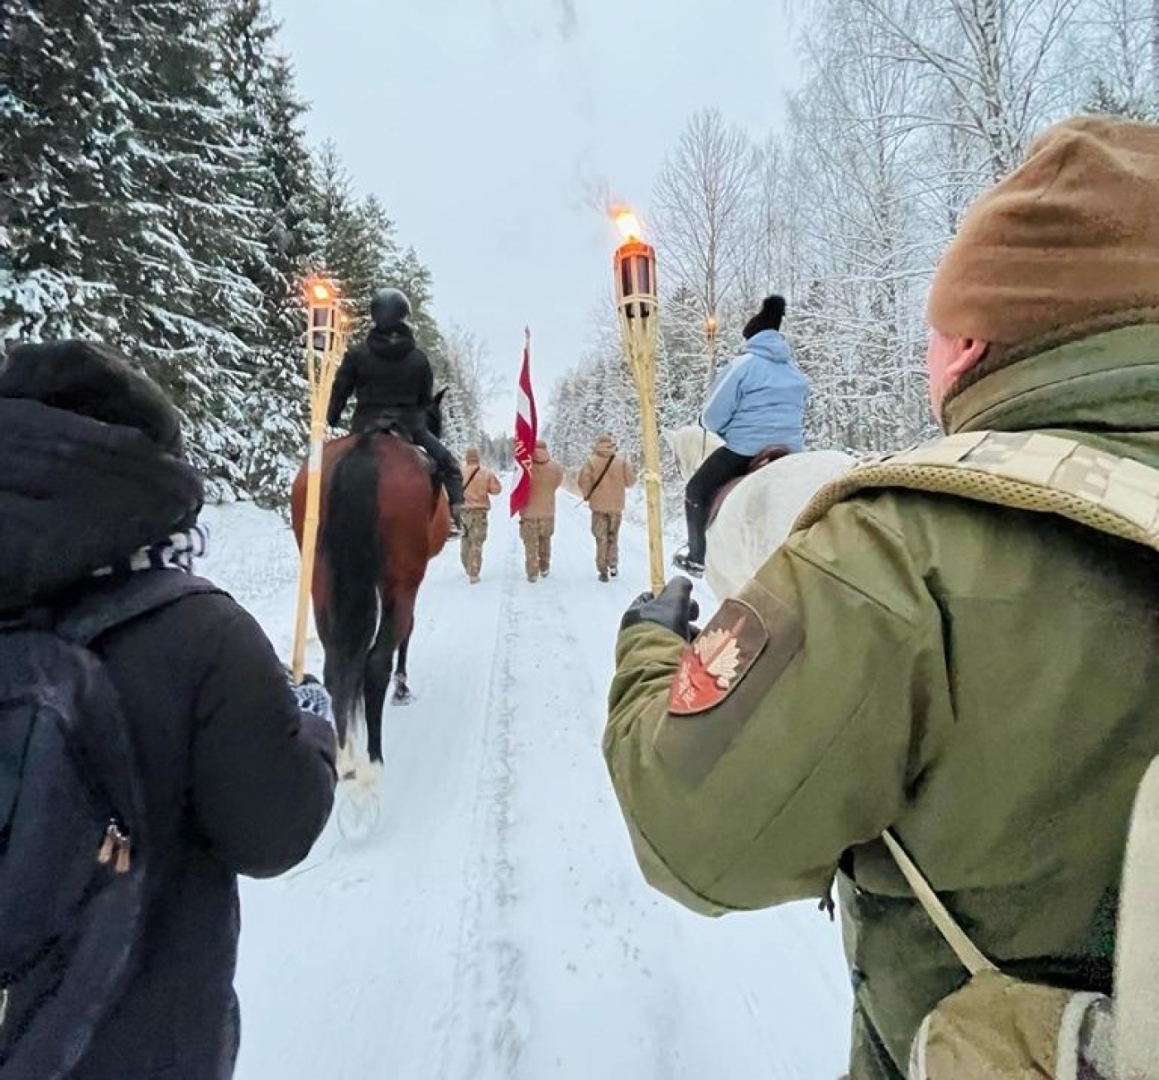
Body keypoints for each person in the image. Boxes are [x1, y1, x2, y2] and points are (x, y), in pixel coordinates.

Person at [603, 116, 1159, 1079]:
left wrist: (651, 650)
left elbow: (692, 834)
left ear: (978, 338)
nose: (926, 359)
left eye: (937, 336)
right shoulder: (801, 376)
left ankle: (695, 561)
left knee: (700, 490)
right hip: (796, 442)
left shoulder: (895, 548)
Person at [0, 339, 337, 1079]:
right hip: (139, 1042)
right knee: (430, 462)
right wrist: (310, 723)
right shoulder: (200, 630)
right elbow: (272, 834)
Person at [673, 294, 810, 577]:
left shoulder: (743, 365)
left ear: (752, 337)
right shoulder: (795, 372)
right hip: (791, 451)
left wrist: (719, 428)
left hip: (745, 450)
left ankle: (697, 558)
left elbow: (712, 418)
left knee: (696, 491)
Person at [327, 287, 465, 531]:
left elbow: (340, 390)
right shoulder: (418, 359)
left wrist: (332, 416)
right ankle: (454, 512)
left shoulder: (358, 355)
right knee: (448, 464)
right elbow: (424, 400)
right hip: (410, 426)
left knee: (330, 464)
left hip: (364, 426)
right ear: (403, 315)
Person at [578, 432, 636, 582]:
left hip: (598, 507)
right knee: (613, 536)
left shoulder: (590, 461)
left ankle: (602, 570)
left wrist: (587, 495)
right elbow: (630, 482)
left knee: (600, 538)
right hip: (616, 506)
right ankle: (613, 565)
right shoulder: (621, 461)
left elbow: (583, 481)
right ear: (612, 444)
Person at [519, 439, 563, 583]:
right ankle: (544, 568)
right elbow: (556, 484)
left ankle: (532, 572)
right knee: (545, 540)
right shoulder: (555, 468)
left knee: (530, 543)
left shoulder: (525, 466)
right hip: (548, 512)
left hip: (528, 512)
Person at [459, 445, 502, 584]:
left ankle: (466, 565)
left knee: (465, 540)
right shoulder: (486, 473)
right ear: (478, 457)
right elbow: (496, 490)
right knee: (477, 542)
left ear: (466, 457)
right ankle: (474, 573)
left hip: (462, 513)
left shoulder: (458, 472)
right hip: (479, 513)